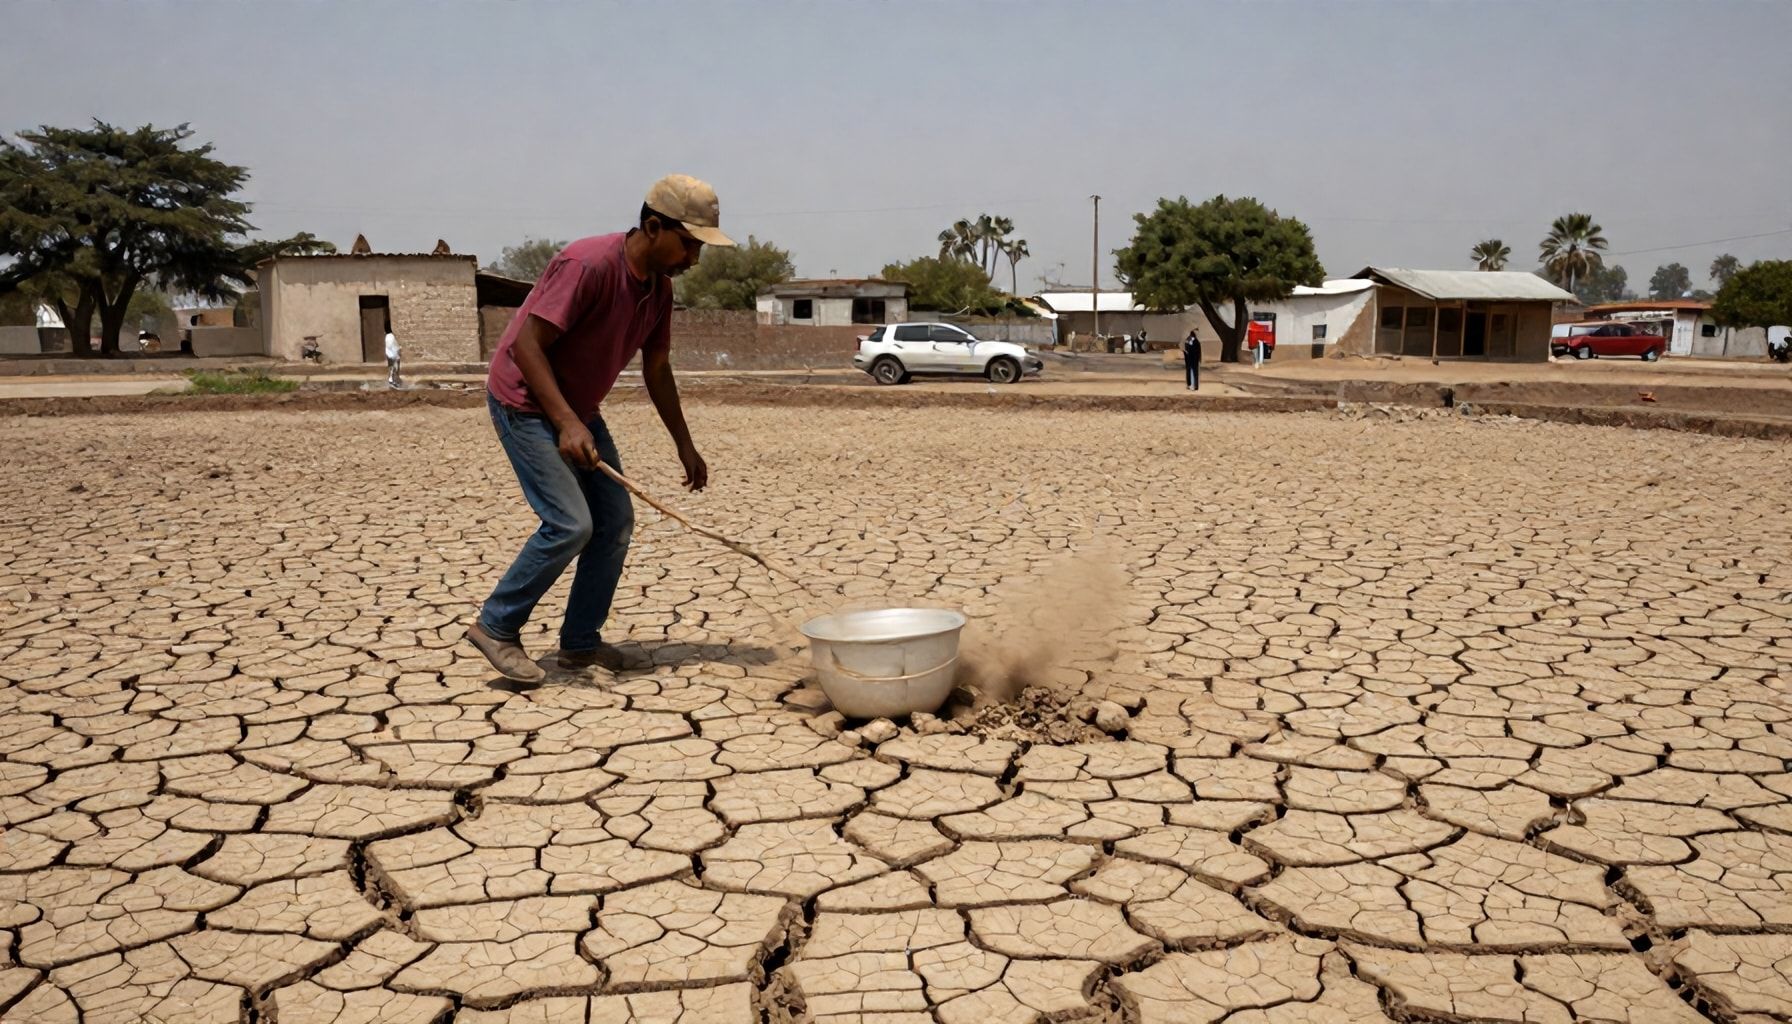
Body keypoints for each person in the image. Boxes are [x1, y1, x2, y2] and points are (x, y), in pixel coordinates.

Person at [468, 174, 733, 684]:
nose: (694, 259)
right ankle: (496, 626)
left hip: (578, 409)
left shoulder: (658, 291)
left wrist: (685, 444)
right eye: (689, 244)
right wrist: (565, 422)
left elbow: (657, 368)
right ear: (654, 227)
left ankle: (580, 644)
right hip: (523, 403)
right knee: (571, 524)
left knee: (613, 524)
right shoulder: (587, 264)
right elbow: (526, 347)